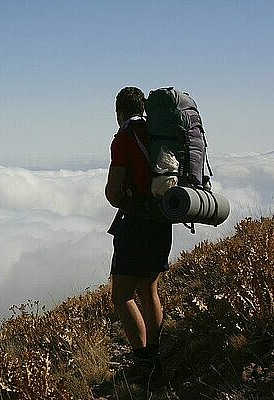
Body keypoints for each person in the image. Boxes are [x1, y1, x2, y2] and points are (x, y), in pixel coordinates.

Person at [105, 87, 173, 380]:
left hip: (136, 224)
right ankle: (155, 359)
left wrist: (123, 200)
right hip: (162, 218)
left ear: (119, 110)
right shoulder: (158, 135)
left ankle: (142, 364)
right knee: (149, 289)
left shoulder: (124, 138)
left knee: (121, 295)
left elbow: (113, 190)